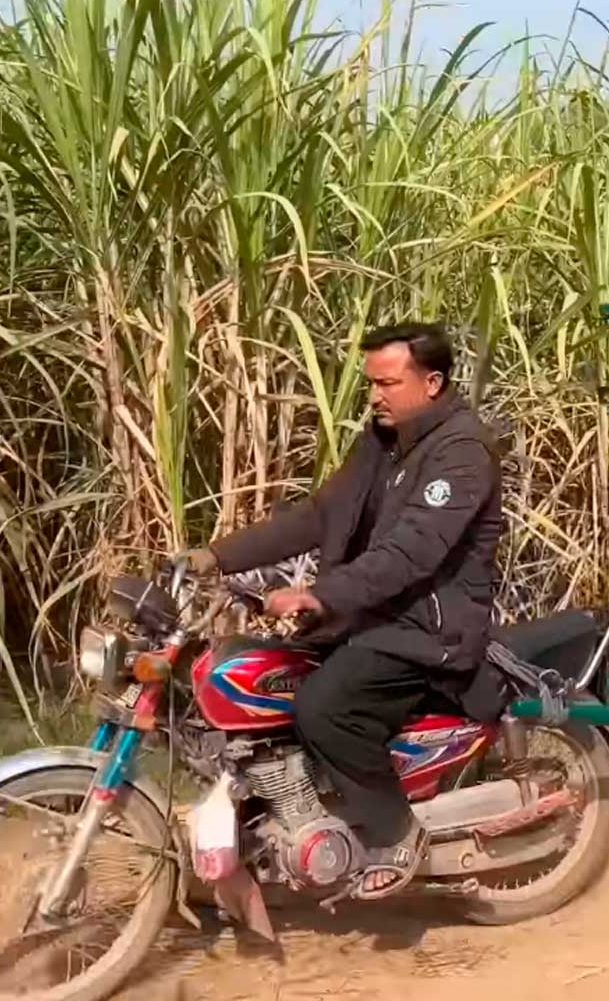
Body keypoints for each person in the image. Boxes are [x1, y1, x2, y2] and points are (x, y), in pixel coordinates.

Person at [183, 322, 504, 899]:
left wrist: (322, 595)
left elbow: (410, 552)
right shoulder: (383, 440)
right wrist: (216, 557)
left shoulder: (462, 452)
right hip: (373, 614)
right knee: (261, 677)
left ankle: (395, 831)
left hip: (428, 627)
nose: (376, 396)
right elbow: (317, 516)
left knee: (324, 706)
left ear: (432, 382)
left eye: (388, 383)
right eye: (371, 384)